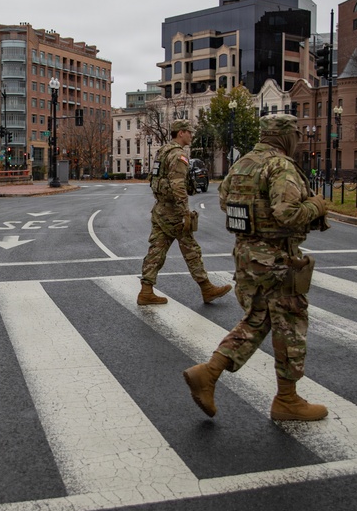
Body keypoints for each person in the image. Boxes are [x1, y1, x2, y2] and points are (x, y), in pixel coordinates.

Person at [182, 114, 330, 421]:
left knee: (259, 318)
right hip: (277, 259)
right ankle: (287, 400)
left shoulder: (242, 164)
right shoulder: (281, 166)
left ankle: (208, 374)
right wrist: (317, 205)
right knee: (290, 324)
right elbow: (287, 212)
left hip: (246, 255)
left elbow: (225, 201)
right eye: (295, 135)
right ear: (285, 136)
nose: (298, 140)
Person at [138, 119, 231, 306]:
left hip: (160, 209)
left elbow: (155, 179)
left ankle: (146, 291)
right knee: (191, 250)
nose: (191, 135)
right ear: (180, 133)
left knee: (157, 250)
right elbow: (178, 184)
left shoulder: (163, 151)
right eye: (189, 131)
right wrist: (184, 212)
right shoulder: (178, 155)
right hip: (173, 212)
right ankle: (206, 288)